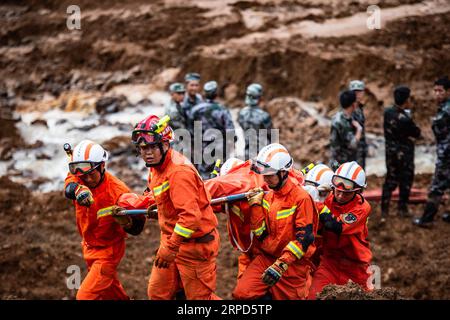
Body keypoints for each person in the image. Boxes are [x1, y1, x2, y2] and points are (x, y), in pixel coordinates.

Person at [127, 114, 221, 300]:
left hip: (194, 247)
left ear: (165, 144)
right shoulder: (155, 166)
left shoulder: (179, 172)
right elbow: (159, 194)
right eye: (143, 148)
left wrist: (170, 248)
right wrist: (156, 206)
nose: (147, 152)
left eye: (153, 146)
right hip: (172, 240)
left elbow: (190, 218)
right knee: (158, 294)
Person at [233, 143, 318, 300]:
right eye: (263, 174)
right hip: (266, 258)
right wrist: (256, 206)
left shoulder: (301, 199)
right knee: (242, 294)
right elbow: (261, 234)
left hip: (291, 265)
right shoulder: (269, 195)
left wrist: (281, 264)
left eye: (269, 175)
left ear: (284, 173)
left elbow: (304, 239)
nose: (265, 179)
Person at [64, 140, 143, 300]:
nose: (86, 179)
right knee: (110, 290)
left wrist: (127, 223)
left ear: (102, 166)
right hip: (89, 244)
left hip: (108, 251)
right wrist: (78, 189)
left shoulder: (118, 192)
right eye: (82, 177)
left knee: (85, 296)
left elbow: (138, 228)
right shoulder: (80, 176)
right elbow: (69, 185)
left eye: (90, 174)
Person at [308, 161, 372, 299]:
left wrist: (317, 203)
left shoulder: (362, 207)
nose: (341, 196)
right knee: (314, 297)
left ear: (358, 191)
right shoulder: (328, 198)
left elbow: (335, 226)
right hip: (330, 262)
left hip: (356, 267)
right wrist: (315, 194)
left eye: (346, 193)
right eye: (338, 191)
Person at [414, 76, 450, 227]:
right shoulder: (444, 108)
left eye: (440, 91)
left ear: (448, 92)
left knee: (436, 188)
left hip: (446, 155)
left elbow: (439, 132)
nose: (436, 94)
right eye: (435, 91)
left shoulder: (446, 111)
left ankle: (426, 219)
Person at [381, 86, 421, 221]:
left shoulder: (387, 112)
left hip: (390, 153)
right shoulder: (405, 119)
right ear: (406, 100)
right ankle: (402, 208)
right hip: (405, 155)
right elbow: (417, 133)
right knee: (406, 180)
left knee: (390, 180)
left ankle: (384, 209)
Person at [190, 81, 236, 179]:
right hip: (220, 148)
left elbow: (190, 131)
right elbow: (230, 132)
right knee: (221, 173)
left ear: (204, 94)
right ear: (216, 94)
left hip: (201, 147)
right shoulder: (222, 109)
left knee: (203, 175)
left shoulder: (195, 110)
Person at [329, 90, 363, 170]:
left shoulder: (341, 116)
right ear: (353, 104)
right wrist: (359, 130)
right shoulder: (342, 122)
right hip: (341, 165)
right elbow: (353, 145)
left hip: (341, 162)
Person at [238, 83, 273, 160]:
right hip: (263, 154)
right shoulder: (264, 116)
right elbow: (271, 135)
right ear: (259, 98)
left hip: (248, 153)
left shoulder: (241, 114)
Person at [349, 80, 368, 169]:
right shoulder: (348, 110)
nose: (357, 94)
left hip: (361, 149)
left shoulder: (360, 108)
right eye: (354, 92)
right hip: (351, 151)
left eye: (359, 91)